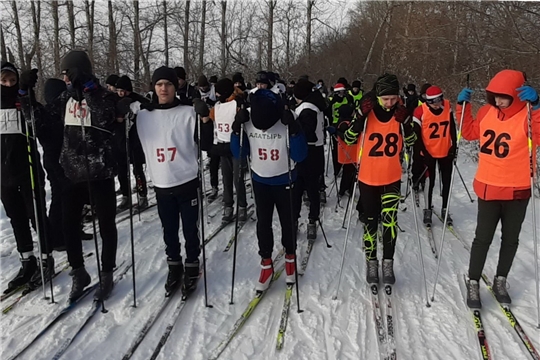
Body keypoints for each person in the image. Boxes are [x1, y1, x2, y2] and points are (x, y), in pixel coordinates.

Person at [20, 51, 119, 302]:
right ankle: (78, 272)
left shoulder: (103, 95)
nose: (65, 77)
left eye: (68, 73)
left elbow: (106, 116)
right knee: (69, 225)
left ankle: (107, 273)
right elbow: (39, 121)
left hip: (100, 170)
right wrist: (25, 94)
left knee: (106, 225)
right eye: (64, 74)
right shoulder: (65, 99)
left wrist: (87, 87)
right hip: (72, 171)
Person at [457, 70, 540, 308]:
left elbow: (539, 133)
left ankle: (500, 279)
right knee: (482, 238)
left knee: (510, 240)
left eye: (504, 96)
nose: (499, 101)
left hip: (517, 189)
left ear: (516, 95)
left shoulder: (526, 115)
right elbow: (469, 132)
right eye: (495, 96)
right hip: (489, 186)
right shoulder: (486, 112)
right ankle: (473, 280)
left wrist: (536, 105)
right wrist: (462, 106)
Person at [132, 66, 212, 294]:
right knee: (169, 230)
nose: (163, 88)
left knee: (189, 229)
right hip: (161, 183)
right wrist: (123, 115)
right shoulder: (144, 116)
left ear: (175, 87)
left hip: (186, 181)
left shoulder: (187, 112)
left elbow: (206, 144)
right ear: (154, 88)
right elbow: (132, 147)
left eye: (168, 84)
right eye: (159, 84)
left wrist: (205, 118)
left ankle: (192, 264)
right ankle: (174, 265)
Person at [343, 73, 416, 284]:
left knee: (390, 222)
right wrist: (359, 117)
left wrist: (408, 123)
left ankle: (388, 263)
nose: (390, 103)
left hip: (392, 177)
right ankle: (371, 262)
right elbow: (348, 139)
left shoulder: (401, 114)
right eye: (386, 99)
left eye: (393, 99)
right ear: (377, 96)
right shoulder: (368, 112)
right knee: (371, 223)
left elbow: (411, 142)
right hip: (368, 178)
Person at [231, 89, 307, 291]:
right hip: (260, 180)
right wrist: (236, 129)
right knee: (263, 224)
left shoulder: (286, 118)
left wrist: (295, 128)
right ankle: (266, 263)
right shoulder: (247, 118)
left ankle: (290, 258)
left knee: (288, 222)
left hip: (285, 179)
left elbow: (300, 155)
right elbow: (239, 152)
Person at [1, 62, 54, 292]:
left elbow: (40, 124)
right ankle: (27, 260)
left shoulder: (25, 102)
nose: (8, 85)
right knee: (16, 218)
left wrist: (26, 95)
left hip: (28, 169)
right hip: (4, 174)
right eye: (4, 81)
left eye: (12, 81)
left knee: (36, 214)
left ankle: (45, 258)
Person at [200, 78, 247, 223]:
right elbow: (208, 119)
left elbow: (246, 117)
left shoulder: (237, 103)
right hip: (222, 146)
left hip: (236, 145)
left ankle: (242, 206)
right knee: (226, 178)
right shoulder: (218, 105)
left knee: (237, 178)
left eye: (220, 92)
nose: (218, 94)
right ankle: (228, 205)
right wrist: (201, 110)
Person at [412, 86, 457, 226]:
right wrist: (423, 152)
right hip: (429, 153)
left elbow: (452, 127)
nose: (437, 105)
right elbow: (416, 136)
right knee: (430, 182)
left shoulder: (447, 106)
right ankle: (428, 209)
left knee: (447, 181)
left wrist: (454, 145)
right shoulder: (420, 111)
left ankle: (445, 209)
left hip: (445, 151)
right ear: (427, 101)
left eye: (439, 101)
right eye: (433, 102)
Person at [293, 79, 326, 240]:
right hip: (315, 151)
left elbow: (308, 132)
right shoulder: (315, 103)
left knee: (300, 189)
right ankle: (310, 219)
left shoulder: (307, 108)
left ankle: (307, 221)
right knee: (311, 189)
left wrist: (294, 130)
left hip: (307, 151)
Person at [114, 75, 150, 210]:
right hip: (120, 141)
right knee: (122, 170)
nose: (120, 93)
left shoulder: (137, 100)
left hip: (135, 141)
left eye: (123, 91)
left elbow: (149, 107)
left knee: (137, 170)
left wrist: (134, 113)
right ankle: (125, 196)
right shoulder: (115, 100)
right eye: (118, 90)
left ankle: (142, 196)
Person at [325, 83, 354, 179]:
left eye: (342, 92)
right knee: (336, 149)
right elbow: (327, 112)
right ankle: (337, 169)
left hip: (345, 123)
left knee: (347, 147)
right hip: (335, 125)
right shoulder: (331, 100)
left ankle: (347, 168)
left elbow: (351, 108)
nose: (341, 94)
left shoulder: (348, 98)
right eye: (339, 92)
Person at [411, 83, 432, 197]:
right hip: (417, 134)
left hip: (429, 138)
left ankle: (424, 181)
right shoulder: (417, 101)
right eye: (425, 94)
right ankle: (416, 180)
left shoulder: (432, 105)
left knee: (426, 161)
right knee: (417, 160)